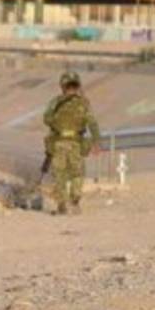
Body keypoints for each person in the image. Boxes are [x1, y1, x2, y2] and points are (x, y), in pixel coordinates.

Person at [43, 70, 101, 215]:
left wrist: (59, 124)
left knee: (60, 175)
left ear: (62, 85)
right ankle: (74, 202)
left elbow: (46, 119)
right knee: (77, 174)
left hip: (59, 143)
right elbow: (92, 123)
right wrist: (96, 142)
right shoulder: (84, 103)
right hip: (76, 143)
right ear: (77, 85)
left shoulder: (56, 102)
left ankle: (62, 204)